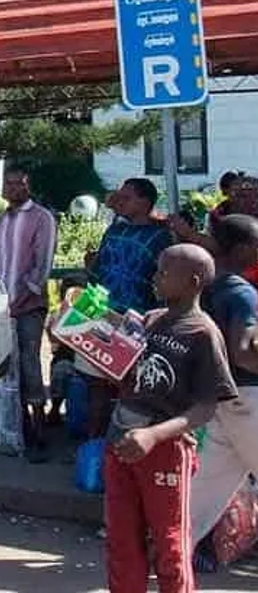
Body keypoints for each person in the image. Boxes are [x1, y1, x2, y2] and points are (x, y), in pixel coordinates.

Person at [104, 244, 237, 593]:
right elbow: (125, 372)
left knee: (169, 543)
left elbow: (206, 407)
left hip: (163, 451)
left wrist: (153, 436)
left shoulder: (203, 333)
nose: (155, 277)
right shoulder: (150, 320)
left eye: (164, 272)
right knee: (121, 541)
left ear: (193, 282)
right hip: (119, 441)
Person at [190, 215, 258, 564]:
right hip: (248, 399)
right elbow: (244, 353)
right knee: (206, 487)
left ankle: (162, 551)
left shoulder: (206, 286)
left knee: (203, 491)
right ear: (245, 248)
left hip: (219, 401)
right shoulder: (242, 293)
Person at [84, 177, 175, 439]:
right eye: (119, 197)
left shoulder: (161, 236)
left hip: (137, 321)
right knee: (96, 383)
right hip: (101, 314)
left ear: (145, 202)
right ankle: (94, 446)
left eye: (127, 197)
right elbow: (99, 269)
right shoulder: (114, 229)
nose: (120, 201)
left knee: (130, 385)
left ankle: (124, 443)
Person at [0, 169, 57, 463]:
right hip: (1, 307)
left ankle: (39, 428)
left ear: (29, 187)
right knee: (3, 365)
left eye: (20, 184)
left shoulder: (42, 218)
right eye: (10, 184)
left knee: (29, 362)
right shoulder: (0, 221)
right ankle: (16, 425)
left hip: (28, 306)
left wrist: (22, 297)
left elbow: (43, 263)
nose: (14, 189)